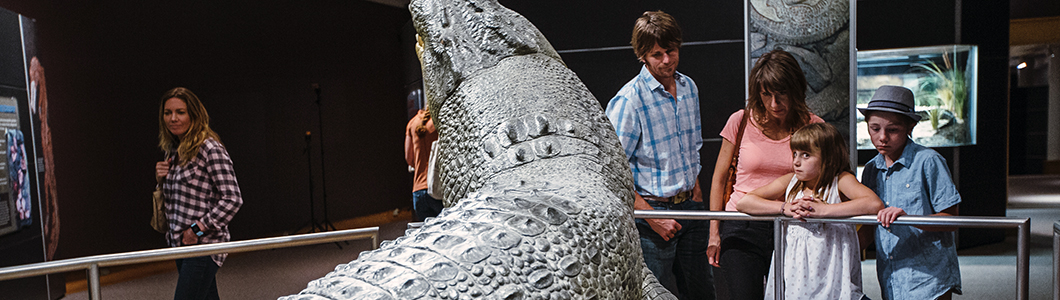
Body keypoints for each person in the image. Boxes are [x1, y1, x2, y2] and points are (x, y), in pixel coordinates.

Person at [604, 10, 715, 299]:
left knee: (703, 293)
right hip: (651, 219)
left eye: (671, 51)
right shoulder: (629, 100)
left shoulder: (689, 87)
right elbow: (611, 171)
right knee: (655, 295)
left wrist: (696, 195)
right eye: (657, 54)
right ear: (642, 55)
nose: (666, 60)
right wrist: (651, 216)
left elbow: (693, 147)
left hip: (690, 208)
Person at [707, 49, 824, 300]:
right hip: (742, 224)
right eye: (766, 94)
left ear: (795, 89)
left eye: (781, 94)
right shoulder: (741, 121)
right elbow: (718, 180)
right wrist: (714, 233)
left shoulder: (813, 126)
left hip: (793, 227)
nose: (774, 104)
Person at [736, 122, 883, 300]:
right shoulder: (791, 182)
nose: (796, 162)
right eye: (795, 154)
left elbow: (874, 204)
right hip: (795, 280)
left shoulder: (841, 181)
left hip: (832, 279)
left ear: (828, 158)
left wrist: (825, 210)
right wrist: (784, 208)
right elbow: (745, 202)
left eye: (806, 155)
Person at [859, 85, 962, 300]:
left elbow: (951, 219)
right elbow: (869, 227)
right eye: (874, 128)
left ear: (910, 127)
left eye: (893, 130)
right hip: (891, 277)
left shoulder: (928, 161)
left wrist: (909, 219)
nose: (882, 137)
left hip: (930, 278)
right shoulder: (870, 169)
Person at [155, 87, 243, 300]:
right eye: (168, 113)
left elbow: (232, 199)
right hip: (180, 245)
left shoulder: (209, 148)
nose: (173, 118)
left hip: (203, 246)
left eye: (180, 112)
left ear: (194, 115)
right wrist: (160, 180)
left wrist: (197, 229)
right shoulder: (172, 150)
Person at [405, 107, 442, 221]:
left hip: (418, 191)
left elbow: (409, 158)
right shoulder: (438, 120)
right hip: (437, 189)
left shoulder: (412, 123)